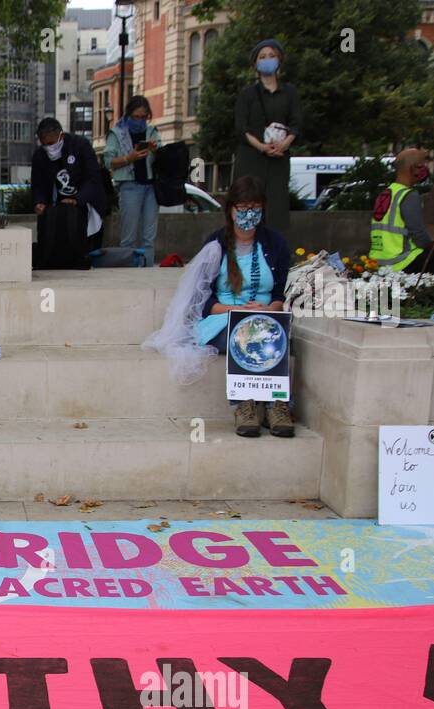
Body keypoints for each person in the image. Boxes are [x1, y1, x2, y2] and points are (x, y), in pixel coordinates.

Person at [143, 176, 293, 438]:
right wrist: (237, 313)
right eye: (243, 208)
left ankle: (277, 405)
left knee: (269, 332)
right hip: (224, 317)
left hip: (266, 315)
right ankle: (244, 405)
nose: (249, 215)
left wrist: (270, 309)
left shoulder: (276, 243)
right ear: (231, 210)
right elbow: (204, 301)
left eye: (255, 208)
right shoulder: (216, 245)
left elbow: (280, 292)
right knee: (246, 334)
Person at [370, 149, 434, 284]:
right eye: (422, 165)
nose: (425, 170)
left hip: (379, 263)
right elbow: (419, 236)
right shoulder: (408, 195)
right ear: (413, 169)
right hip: (402, 263)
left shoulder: (385, 194)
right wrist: (433, 246)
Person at [233, 39, 302, 235]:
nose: (267, 60)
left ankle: (275, 255)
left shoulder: (290, 92)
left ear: (279, 60)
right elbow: (241, 128)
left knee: (277, 208)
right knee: (248, 203)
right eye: (262, 57)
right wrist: (262, 147)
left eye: (272, 56)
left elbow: (297, 124)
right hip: (251, 157)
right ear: (255, 63)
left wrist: (284, 145)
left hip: (279, 159)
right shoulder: (247, 94)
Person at [31, 117, 110, 268]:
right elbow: (38, 184)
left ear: (61, 136)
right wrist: (39, 201)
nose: (49, 148)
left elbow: (93, 179)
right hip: (57, 209)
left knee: (85, 244)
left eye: (52, 143)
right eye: (45, 144)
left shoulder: (81, 145)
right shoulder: (40, 156)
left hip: (85, 203)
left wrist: (77, 199)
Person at [106, 95, 162, 258]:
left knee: (149, 238)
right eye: (136, 117)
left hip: (151, 186)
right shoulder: (116, 133)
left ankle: (147, 270)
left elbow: (163, 156)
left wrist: (155, 150)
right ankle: (127, 270)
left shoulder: (151, 131)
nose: (140, 120)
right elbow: (109, 161)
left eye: (144, 117)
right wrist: (128, 158)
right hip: (129, 186)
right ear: (128, 115)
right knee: (128, 237)